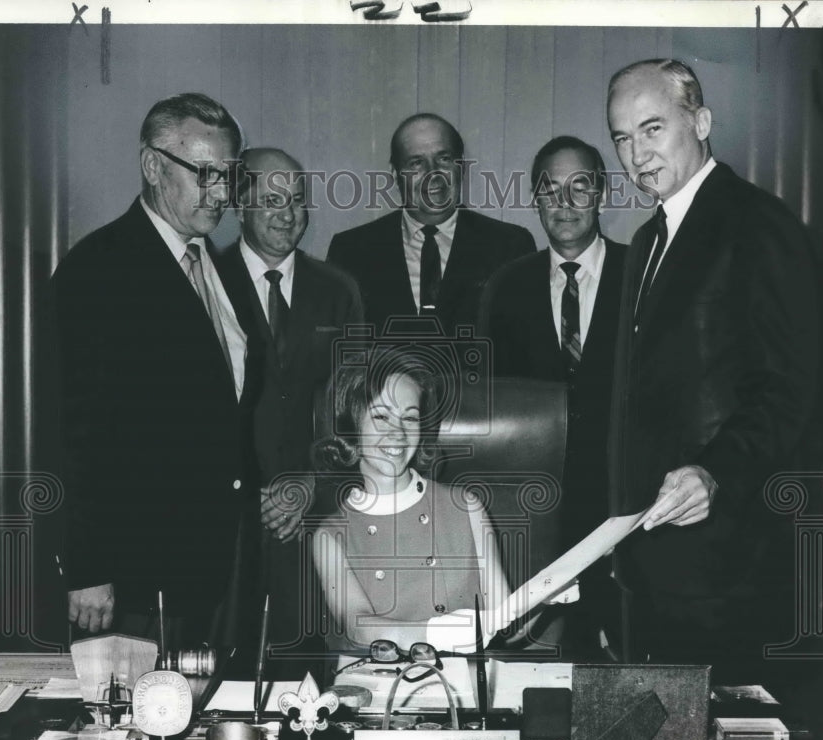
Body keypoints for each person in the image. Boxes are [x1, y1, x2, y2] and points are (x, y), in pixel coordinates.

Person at [605, 59, 821, 676]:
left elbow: (793, 392)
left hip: (734, 568)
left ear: (699, 122)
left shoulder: (759, 224)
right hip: (654, 568)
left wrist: (717, 472)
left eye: (651, 129)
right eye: (621, 137)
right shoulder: (647, 240)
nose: (636, 154)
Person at [53, 92, 257, 649]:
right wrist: (88, 567)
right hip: (135, 581)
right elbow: (76, 433)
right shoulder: (99, 269)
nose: (221, 194)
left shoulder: (214, 263)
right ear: (153, 166)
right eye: (206, 174)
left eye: (230, 176)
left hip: (211, 566)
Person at [217, 147, 363, 677]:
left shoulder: (338, 291)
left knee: (302, 682)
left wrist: (311, 480)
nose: (289, 213)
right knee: (219, 681)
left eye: (298, 200)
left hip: (311, 521)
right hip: (225, 525)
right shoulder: (205, 280)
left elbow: (353, 409)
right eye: (272, 199)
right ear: (239, 203)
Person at [479, 136, 627, 656]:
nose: (564, 203)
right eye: (550, 190)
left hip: (622, 507)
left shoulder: (642, 278)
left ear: (602, 193)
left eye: (579, 187)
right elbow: (490, 400)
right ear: (535, 199)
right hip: (531, 508)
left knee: (620, 658)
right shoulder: (505, 286)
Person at [311, 350, 512, 657]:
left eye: (410, 417)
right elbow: (359, 626)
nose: (399, 433)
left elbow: (505, 620)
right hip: (379, 687)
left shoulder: (466, 507)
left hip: (467, 680)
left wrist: (544, 596)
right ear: (350, 426)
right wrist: (440, 633)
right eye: (381, 416)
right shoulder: (330, 535)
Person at [326, 113, 535, 337]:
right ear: (395, 174)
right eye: (416, 162)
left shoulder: (510, 246)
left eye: (443, 158)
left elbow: (524, 345)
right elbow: (338, 350)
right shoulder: (350, 251)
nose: (432, 173)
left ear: (461, 166)